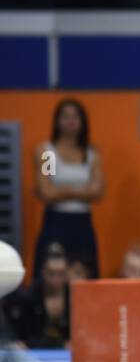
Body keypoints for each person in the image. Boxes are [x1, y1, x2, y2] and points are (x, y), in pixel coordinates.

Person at [33, 99, 103, 279]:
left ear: (82, 121)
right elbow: (46, 192)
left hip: (82, 223)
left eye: (75, 116)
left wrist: (63, 190)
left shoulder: (91, 154)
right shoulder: (48, 152)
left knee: (85, 272)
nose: (70, 121)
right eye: (65, 116)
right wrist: (81, 191)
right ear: (57, 120)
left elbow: (98, 192)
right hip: (56, 221)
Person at [2, 244, 71, 348]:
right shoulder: (29, 297)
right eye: (51, 273)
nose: (55, 279)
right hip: (35, 350)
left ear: (67, 274)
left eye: (60, 274)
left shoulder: (75, 298)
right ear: (43, 272)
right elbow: (25, 337)